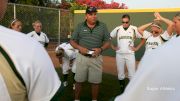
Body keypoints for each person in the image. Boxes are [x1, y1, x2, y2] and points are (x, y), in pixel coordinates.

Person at [0, 0, 61, 100]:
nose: (38, 28)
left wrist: (43, 52)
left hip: (38, 61)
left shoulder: (43, 35)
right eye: (37, 26)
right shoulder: (28, 38)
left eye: (40, 26)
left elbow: (46, 43)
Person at [114, 13, 180, 101]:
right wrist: (151, 23)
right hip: (146, 64)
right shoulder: (149, 35)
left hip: (157, 66)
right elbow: (139, 29)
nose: (153, 32)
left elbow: (171, 24)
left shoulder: (164, 36)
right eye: (152, 30)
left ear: (160, 30)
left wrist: (161, 18)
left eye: (156, 31)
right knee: (146, 86)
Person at [70, 6, 110, 101]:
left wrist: (100, 49)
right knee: (79, 81)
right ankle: (76, 99)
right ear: (86, 16)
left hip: (96, 58)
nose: (93, 16)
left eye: (95, 14)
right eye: (91, 14)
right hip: (82, 58)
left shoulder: (102, 26)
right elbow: (72, 41)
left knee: (95, 82)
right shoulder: (80, 26)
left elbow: (108, 42)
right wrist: (80, 48)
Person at [110, 14, 145, 93]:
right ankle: (122, 91)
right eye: (123, 22)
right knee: (120, 74)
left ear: (129, 21)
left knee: (132, 75)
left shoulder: (134, 29)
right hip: (119, 55)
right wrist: (113, 47)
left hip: (130, 54)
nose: (125, 23)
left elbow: (143, 39)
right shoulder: (118, 29)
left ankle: (131, 91)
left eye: (126, 22)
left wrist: (136, 48)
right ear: (121, 21)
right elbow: (108, 38)